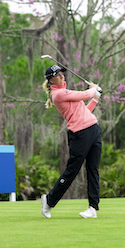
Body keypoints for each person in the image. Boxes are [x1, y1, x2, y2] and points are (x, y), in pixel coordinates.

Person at [41, 64, 102, 219]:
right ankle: (49, 201)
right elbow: (83, 95)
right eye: (58, 75)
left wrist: (95, 98)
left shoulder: (66, 92)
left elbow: (83, 113)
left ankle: (92, 208)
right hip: (79, 135)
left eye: (62, 73)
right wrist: (93, 90)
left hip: (93, 130)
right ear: (51, 80)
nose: (62, 76)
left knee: (93, 170)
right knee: (72, 171)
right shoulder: (59, 94)